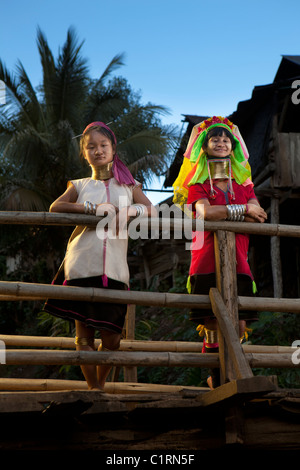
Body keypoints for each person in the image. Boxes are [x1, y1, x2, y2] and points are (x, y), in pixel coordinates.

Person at [44, 121, 156, 390]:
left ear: (113, 148)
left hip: (116, 269)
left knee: (112, 340)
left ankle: (99, 384)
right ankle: (95, 390)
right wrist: (92, 208)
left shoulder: (129, 186)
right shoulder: (80, 185)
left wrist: (130, 212)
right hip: (81, 264)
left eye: (103, 145)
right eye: (91, 147)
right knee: (83, 338)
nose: (98, 150)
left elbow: (149, 209)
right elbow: (56, 206)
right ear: (84, 154)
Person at [172, 116, 267, 389]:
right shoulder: (198, 185)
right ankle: (218, 380)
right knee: (212, 324)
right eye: (215, 139)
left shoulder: (244, 186)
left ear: (233, 147)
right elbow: (206, 213)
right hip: (205, 261)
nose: (221, 142)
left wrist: (242, 211)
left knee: (238, 324)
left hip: (239, 260)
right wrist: (243, 210)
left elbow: (258, 217)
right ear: (204, 147)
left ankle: (233, 375)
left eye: (226, 139)